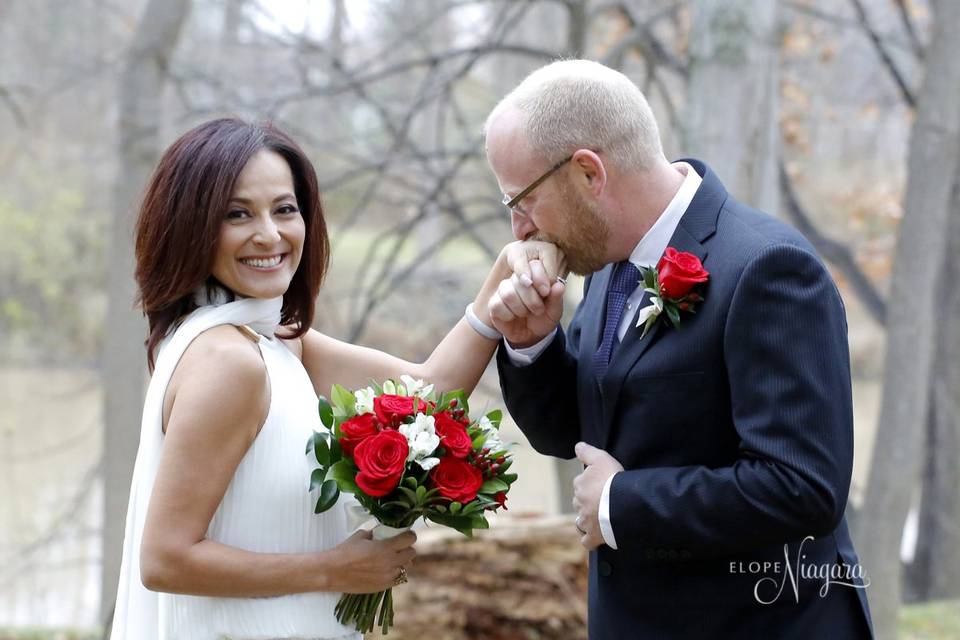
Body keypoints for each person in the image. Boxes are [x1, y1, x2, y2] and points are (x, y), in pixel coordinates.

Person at [110, 118, 562, 639]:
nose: (270, 234)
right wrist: (334, 569)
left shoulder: (272, 341)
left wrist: (504, 278)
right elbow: (166, 559)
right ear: (193, 227)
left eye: (284, 209)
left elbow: (427, 393)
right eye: (238, 214)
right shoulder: (229, 363)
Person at [483, 60, 874, 639]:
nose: (519, 230)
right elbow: (579, 431)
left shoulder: (768, 269)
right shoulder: (607, 266)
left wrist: (623, 503)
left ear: (589, 174)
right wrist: (533, 344)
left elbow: (802, 486)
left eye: (522, 201)